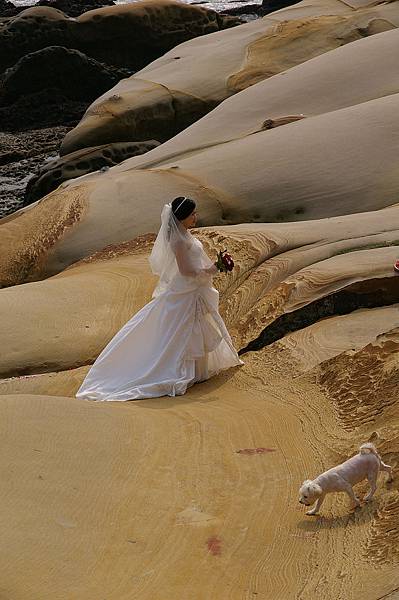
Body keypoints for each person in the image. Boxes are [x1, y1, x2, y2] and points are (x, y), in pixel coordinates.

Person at [76, 197, 243, 401]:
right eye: (192, 214)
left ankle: (199, 371)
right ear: (182, 217)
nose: (195, 217)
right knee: (180, 332)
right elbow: (185, 270)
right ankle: (174, 372)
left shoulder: (185, 234)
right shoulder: (178, 240)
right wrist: (212, 269)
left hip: (193, 290)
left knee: (193, 328)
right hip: (185, 291)